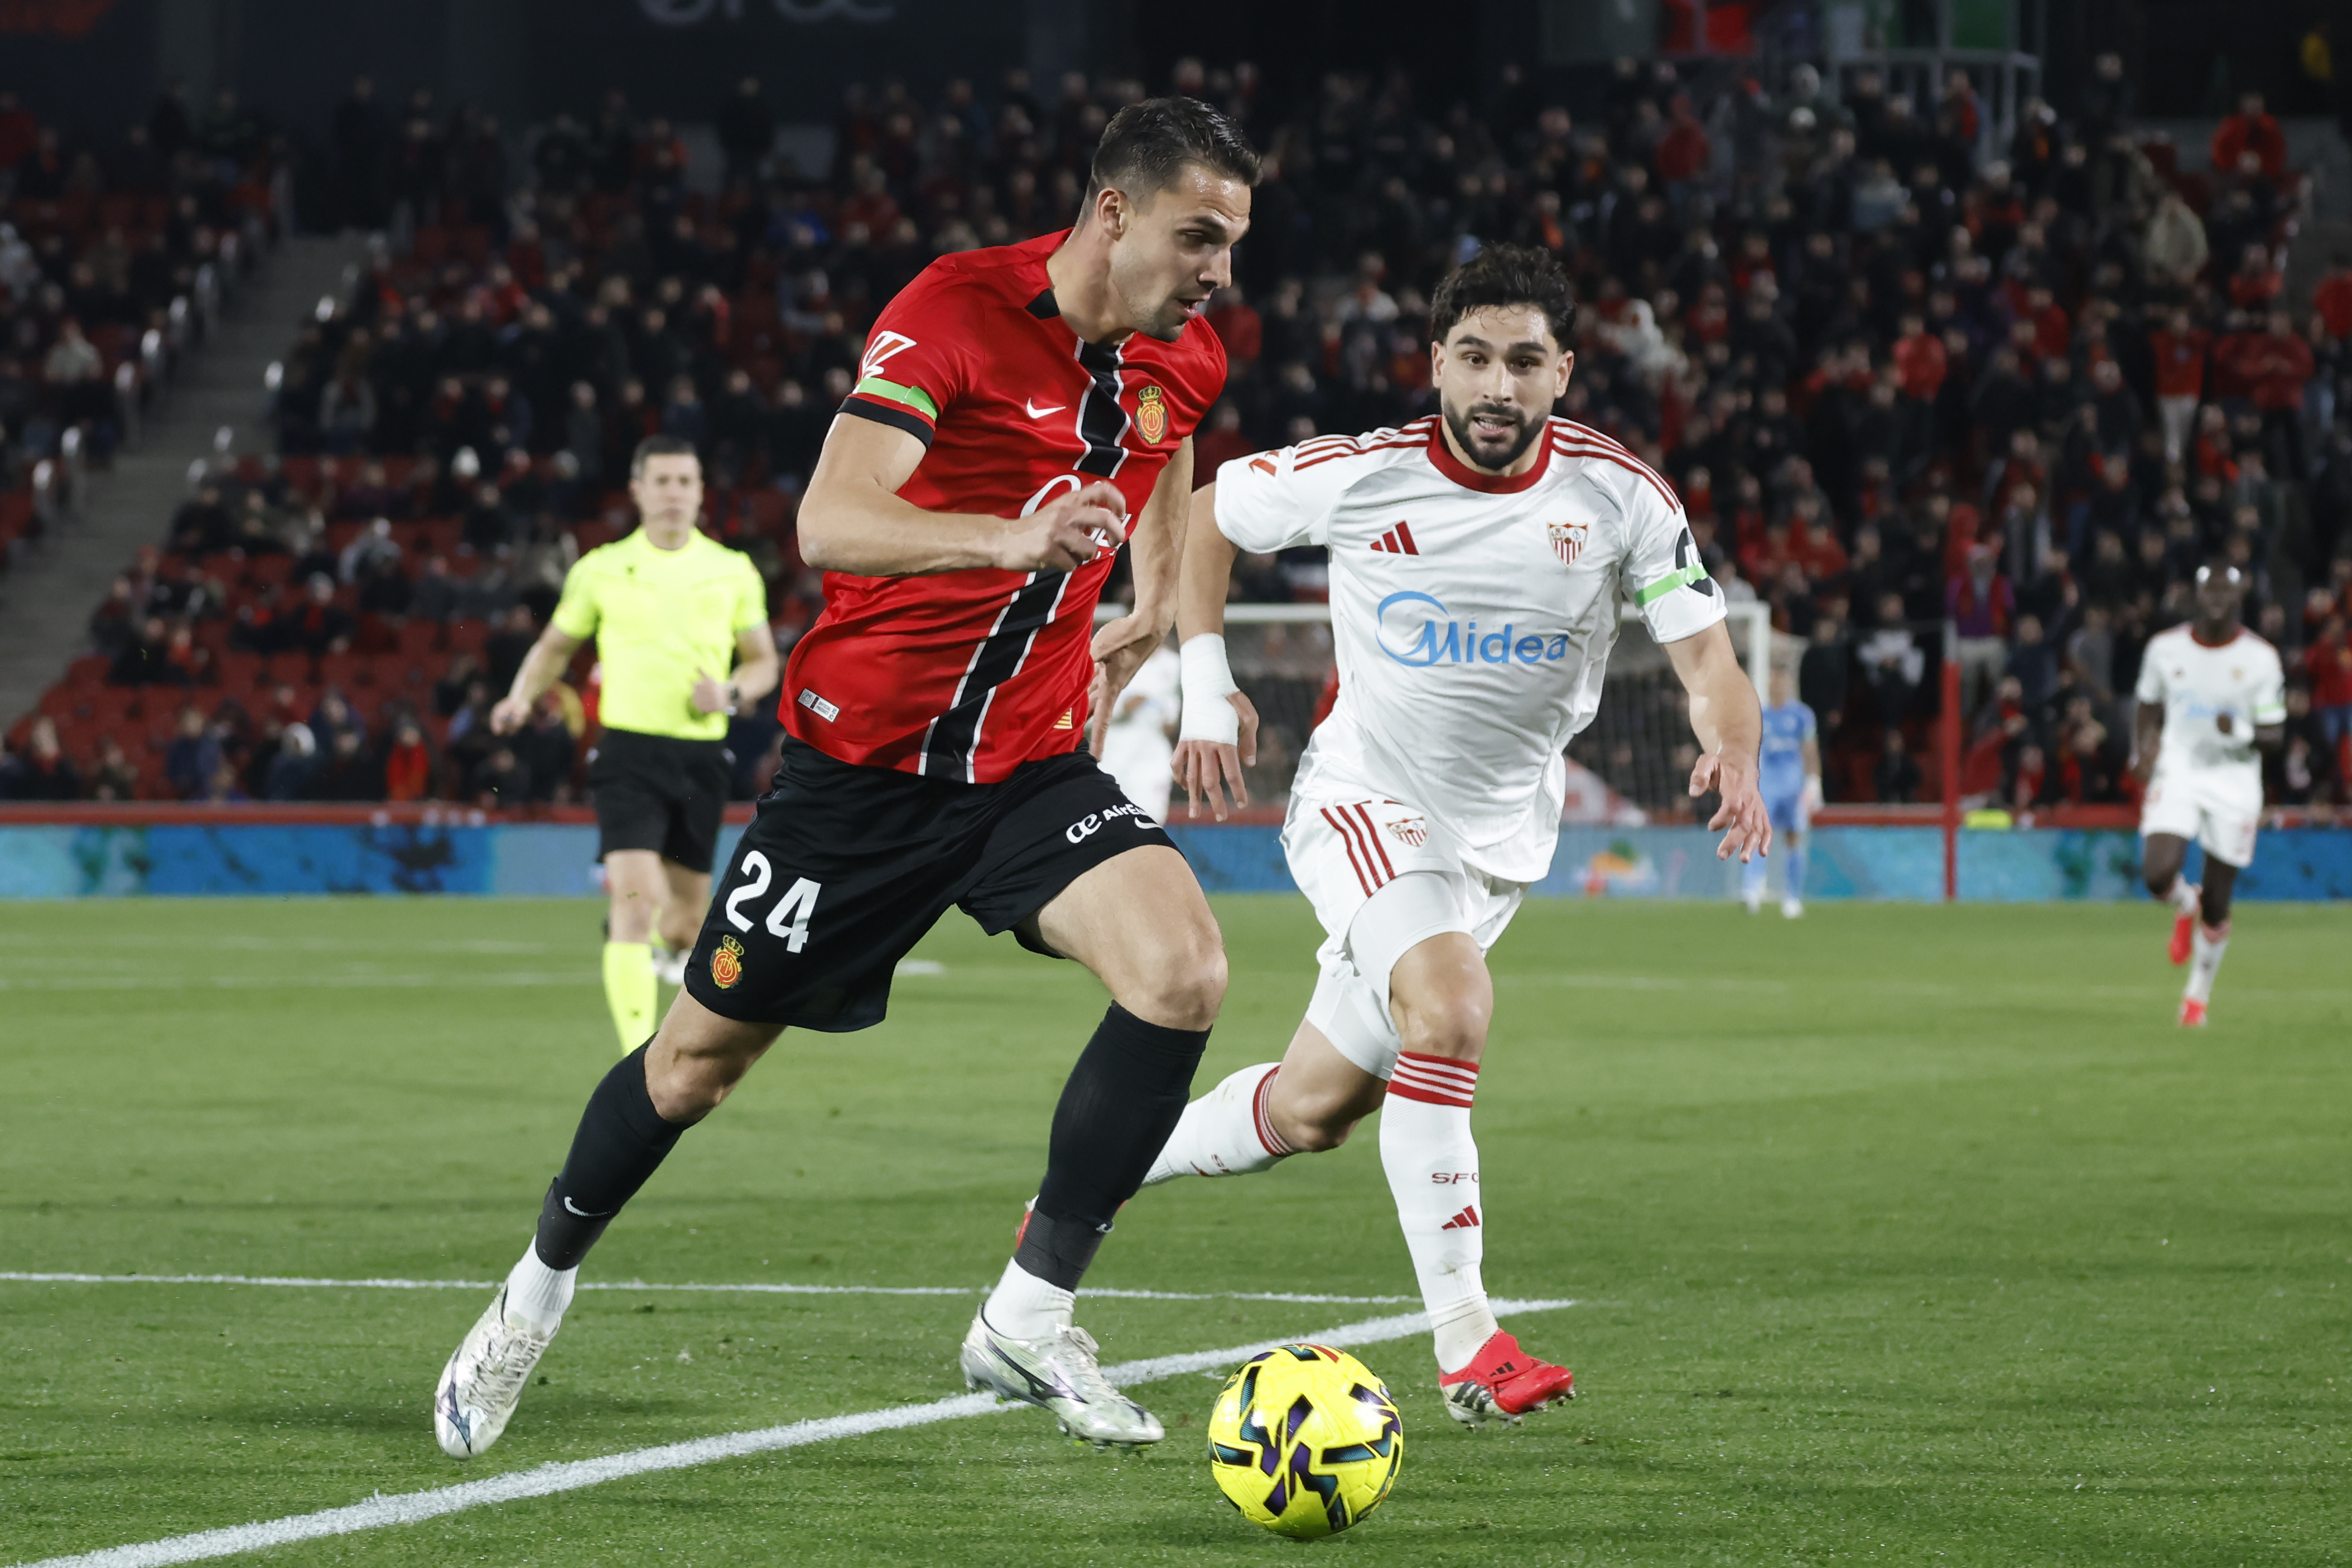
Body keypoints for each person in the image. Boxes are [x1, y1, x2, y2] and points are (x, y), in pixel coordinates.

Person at [435, 97, 1259, 1461]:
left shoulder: (1188, 353)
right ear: (1112, 212)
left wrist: (1152, 606)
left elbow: (1167, 461)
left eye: (1231, 240)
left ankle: (1029, 1312)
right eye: (1197, 236)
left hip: (1027, 765)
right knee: (693, 1065)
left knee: (1183, 973)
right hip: (859, 776)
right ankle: (532, 1292)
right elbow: (831, 518)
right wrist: (1018, 539)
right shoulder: (953, 312)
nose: (1218, 268)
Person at [1149, 244, 1768, 1427]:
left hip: (1491, 852)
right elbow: (1205, 510)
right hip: (1363, 803)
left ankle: (1103, 1168)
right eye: (1474, 357)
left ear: (1563, 372)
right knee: (1451, 1006)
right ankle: (1466, 1344)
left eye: (1523, 361)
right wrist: (1202, 679)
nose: (1497, 385)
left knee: (1312, 1109)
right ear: (1435, 362)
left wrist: (1730, 747)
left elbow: (1708, 663)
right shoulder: (1364, 474)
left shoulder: (1620, 498)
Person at [488, 435, 779, 1051]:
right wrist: (519, 698)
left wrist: (728, 694)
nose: (674, 493)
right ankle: (637, 1060)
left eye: (685, 482)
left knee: (683, 924)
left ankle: (659, 955)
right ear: (638, 490)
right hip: (626, 755)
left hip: (699, 757)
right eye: (662, 481)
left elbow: (762, 664)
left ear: (700, 493)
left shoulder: (732, 572)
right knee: (636, 903)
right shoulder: (600, 568)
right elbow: (554, 648)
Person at [2133, 565, 2286, 1027]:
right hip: (2179, 766)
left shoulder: (2260, 657)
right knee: (2157, 873)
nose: (2217, 596)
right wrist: (2142, 749)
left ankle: (2196, 999)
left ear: (2240, 596)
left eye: (2227, 589)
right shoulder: (2164, 648)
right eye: (2209, 588)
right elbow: (2146, 703)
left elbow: (2275, 733)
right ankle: (2183, 899)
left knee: (2219, 902)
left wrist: (2237, 730)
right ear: (2196, 594)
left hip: (2234, 780)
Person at [1743, 665, 1821, 916]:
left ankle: (1792, 898)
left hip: (1793, 787)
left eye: (1783, 682)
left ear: (1789, 685)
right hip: (1766, 785)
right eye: (1774, 682)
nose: (1779, 686)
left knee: (1793, 837)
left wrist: (1814, 782)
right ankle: (1752, 890)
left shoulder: (1802, 715)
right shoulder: (1759, 714)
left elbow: (1810, 749)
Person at [1097, 631, 1180, 822]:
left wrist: (1168, 719)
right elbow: (1086, 714)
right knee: (1112, 825)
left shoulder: (1173, 664)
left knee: (1152, 823)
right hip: (1114, 756)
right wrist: (1123, 708)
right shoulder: (1108, 659)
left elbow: (1172, 718)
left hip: (1152, 759)